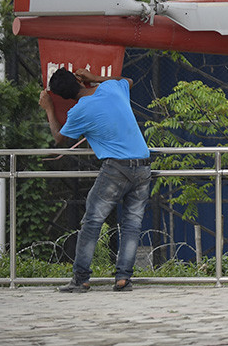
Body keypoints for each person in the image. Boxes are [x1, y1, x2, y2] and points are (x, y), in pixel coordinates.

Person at [39, 67, 151, 292]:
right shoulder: (111, 87)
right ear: (79, 79)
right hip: (143, 166)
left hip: (116, 169)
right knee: (131, 224)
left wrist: (49, 109)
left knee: (92, 222)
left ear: (64, 97)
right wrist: (96, 78)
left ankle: (81, 279)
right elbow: (127, 80)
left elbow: (59, 138)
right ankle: (123, 279)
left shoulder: (79, 111)